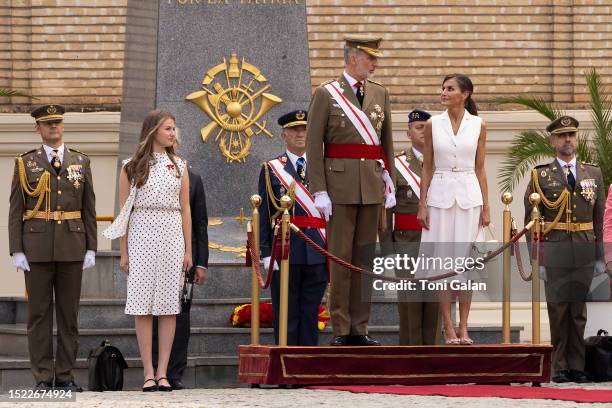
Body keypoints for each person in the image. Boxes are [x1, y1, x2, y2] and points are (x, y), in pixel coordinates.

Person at [306, 36, 396, 346]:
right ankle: (341, 327)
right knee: (341, 259)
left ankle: (361, 326)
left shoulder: (380, 94)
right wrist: (319, 189)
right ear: (352, 58)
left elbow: (386, 143)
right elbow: (313, 145)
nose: (375, 63)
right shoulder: (326, 94)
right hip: (339, 187)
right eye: (370, 58)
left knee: (365, 259)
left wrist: (390, 179)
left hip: (371, 186)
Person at [9, 104, 97, 391]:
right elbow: (15, 209)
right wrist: (17, 249)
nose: (53, 127)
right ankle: (43, 377)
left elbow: (88, 208)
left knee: (69, 317)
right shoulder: (25, 163)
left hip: (73, 245)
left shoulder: (80, 162)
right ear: (38, 128)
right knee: (39, 316)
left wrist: (91, 248)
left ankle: (66, 376)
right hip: (36, 248)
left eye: (57, 122)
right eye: (47, 124)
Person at [103, 109, 192, 392]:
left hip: (171, 235)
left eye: (174, 128)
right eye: (168, 128)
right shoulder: (130, 166)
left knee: (168, 307)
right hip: (142, 233)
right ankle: (148, 373)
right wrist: (124, 250)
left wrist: (189, 249)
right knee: (143, 306)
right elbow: (123, 212)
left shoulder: (179, 165)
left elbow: (186, 209)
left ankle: (164, 372)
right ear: (153, 130)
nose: (172, 133)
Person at [524, 115, 604, 383]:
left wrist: (600, 257)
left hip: (584, 248)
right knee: (558, 310)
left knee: (578, 310)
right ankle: (559, 366)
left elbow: (599, 218)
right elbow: (531, 223)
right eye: (561, 136)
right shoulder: (540, 175)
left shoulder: (593, 173)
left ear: (577, 138)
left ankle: (577, 365)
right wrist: (538, 260)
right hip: (555, 249)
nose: (567, 140)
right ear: (553, 141)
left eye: (571, 135)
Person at [416, 74, 490, 346]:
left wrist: (487, 206)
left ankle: (464, 326)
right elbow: (427, 167)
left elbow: (481, 168)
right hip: (440, 196)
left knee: (466, 265)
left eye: (450, 89)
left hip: (470, 196)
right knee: (442, 263)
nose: (444, 93)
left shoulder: (479, 124)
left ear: (465, 94)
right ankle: (448, 327)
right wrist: (422, 204)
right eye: (443, 88)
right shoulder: (434, 123)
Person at [258, 110, 328, 346]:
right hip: (286, 250)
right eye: (294, 130)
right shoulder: (271, 169)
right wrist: (267, 253)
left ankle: (306, 367)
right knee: (287, 313)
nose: (300, 134)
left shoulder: (324, 167)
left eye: (304, 129)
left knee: (310, 313)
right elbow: (265, 214)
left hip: (318, 248)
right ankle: (286, 369)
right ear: (284, 135)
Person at [152, 133, 209, 390]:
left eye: (174, 144)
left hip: (184, 259)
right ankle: (154, 370)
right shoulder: (148, 174)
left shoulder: (193, 179)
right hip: (154, 253)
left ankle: (174, 372)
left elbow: (199, 224)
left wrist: (200, 263)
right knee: (154, 314)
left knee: (180, 316)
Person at [379, 109, 440, 345]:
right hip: (406, 242)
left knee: (435, 299)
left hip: (438, 240)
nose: (423, 131)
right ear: (408, 133)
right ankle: (411, 355)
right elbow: (385, 211)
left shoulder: (444, 163)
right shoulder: (396, 166)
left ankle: (434, 356)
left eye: (428, 127)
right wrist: (386, 253)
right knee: (410, 301)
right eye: (418, 127)